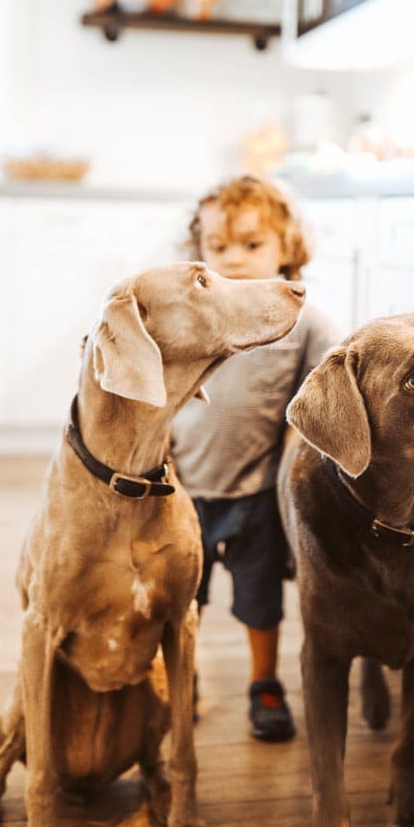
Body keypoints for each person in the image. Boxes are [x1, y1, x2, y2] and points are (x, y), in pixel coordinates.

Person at [170, 175, 339, 742]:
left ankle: (264, 682)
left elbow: (337, 371)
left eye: (251, 245)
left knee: (260, 601)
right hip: (182, 490)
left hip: (256, 494)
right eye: (218, 248)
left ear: (287, 249)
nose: (234, 261)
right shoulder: (190, 311)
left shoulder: (302, 319)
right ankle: (181, 677)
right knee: (180, 596)